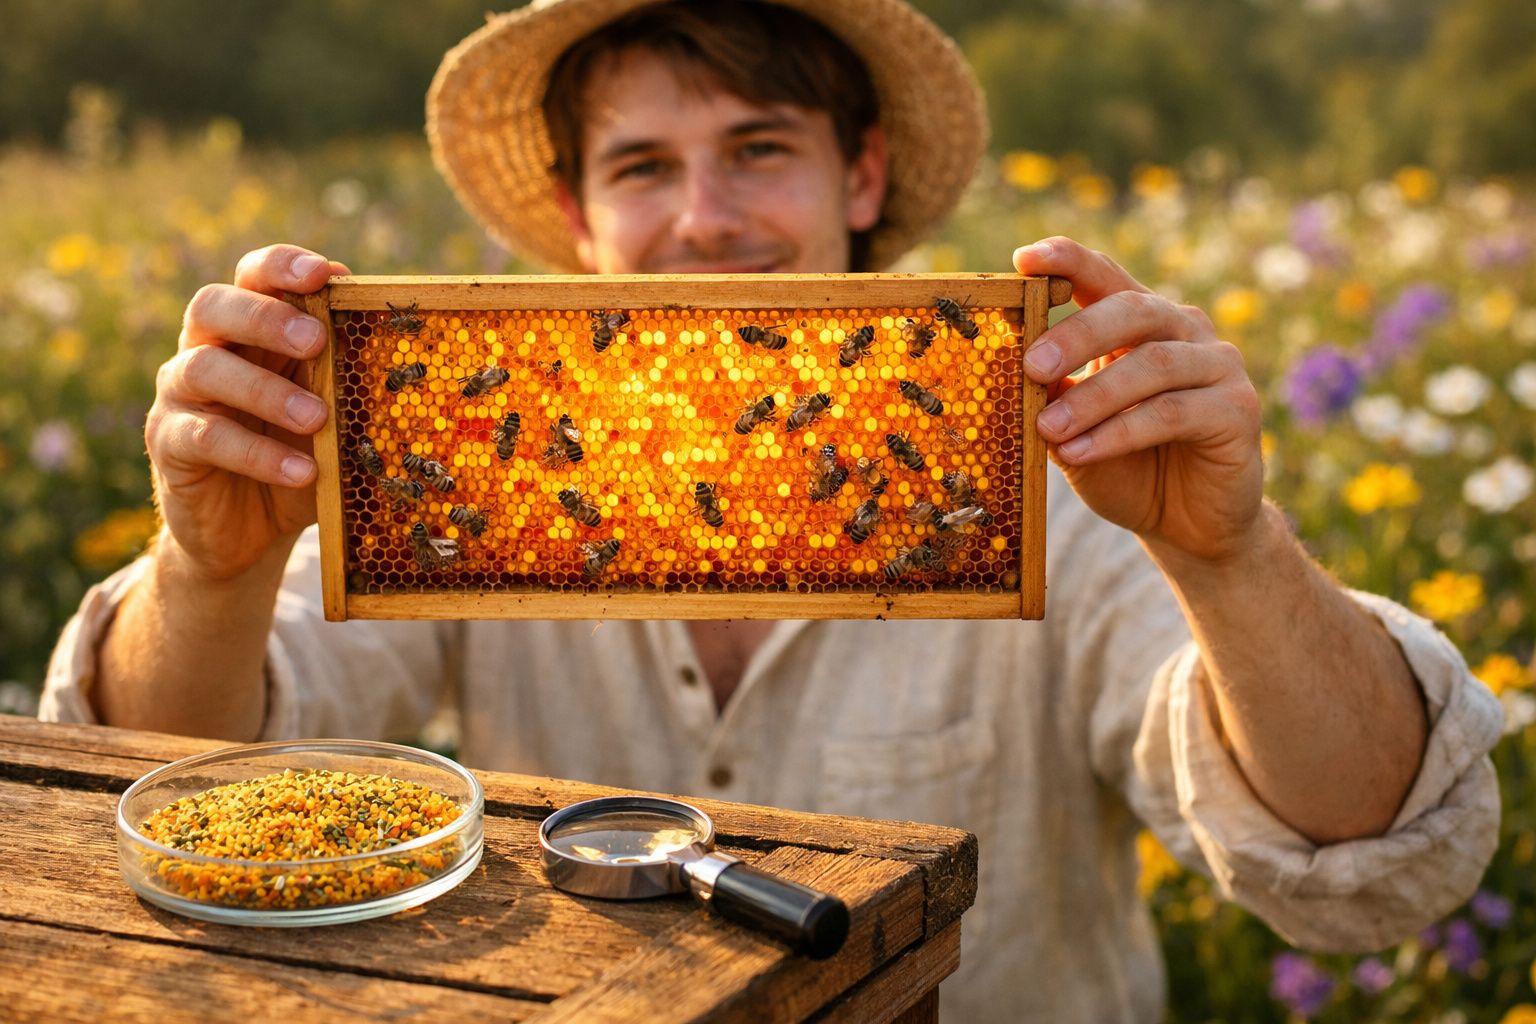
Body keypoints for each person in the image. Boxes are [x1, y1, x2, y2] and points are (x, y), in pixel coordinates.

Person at [42, 1, 1502, 1020]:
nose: (704, 222)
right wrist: (213, 569)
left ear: (859, 174)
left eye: (758, 148)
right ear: (573, 217)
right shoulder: (473, 462)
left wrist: (1228, 553)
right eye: (643, 166)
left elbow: (1368, 864)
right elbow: (175, 794)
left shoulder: (1057, 467)